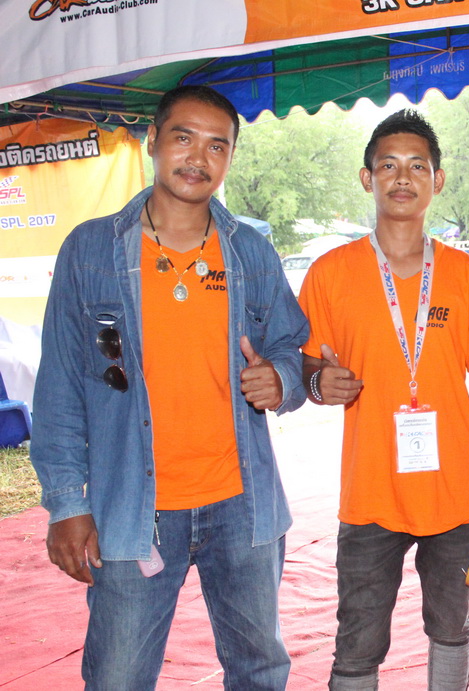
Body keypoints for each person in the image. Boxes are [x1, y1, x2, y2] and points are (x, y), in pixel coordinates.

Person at [30, 85, 309, 690]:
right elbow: (59, 387)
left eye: (217, 146)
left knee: (260, 670)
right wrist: (67, 504)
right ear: (153, 141)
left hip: (243, 503)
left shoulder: (251, 252)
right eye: (184, 138)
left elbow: (292, 347)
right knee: (118, 677)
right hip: (132, 506)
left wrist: (282, 378)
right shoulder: (91, 249)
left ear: (229, 158)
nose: (198, 158)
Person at [297, 109, 469, 691]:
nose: (402, 178)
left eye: (417, 167)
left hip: (455, 496)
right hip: (370, 494)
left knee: (452, 627)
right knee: (358, 641)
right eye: (388, 165)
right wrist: (318, 383)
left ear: (437, 181)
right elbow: (308, 367)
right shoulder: (330, 274)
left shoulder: (467, 277)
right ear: (367, 178)